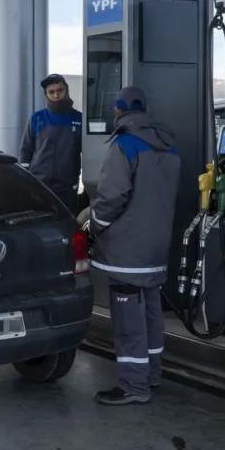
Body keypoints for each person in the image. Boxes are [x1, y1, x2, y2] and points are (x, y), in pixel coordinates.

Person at [89, 86, 181, 405]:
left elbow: (113, 195)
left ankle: (133, 386)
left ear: (118, 111)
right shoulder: (169, 147)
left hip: (127, 252)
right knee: (152, 313)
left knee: (129, 319)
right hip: (156, 246)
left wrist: (96, 225)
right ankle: (151, 375)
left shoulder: (124, 144)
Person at [19, 73, 83, 215]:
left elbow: (88, 151)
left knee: (66, 222)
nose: (56, 95)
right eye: (51, 92)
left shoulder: (79, 119)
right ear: (46, 94)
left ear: (66, 90)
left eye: (59, 90)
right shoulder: (37, 118)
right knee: (39, 222)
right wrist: (26, 179)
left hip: (67, 185)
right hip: (39, 184)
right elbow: (25, 151)